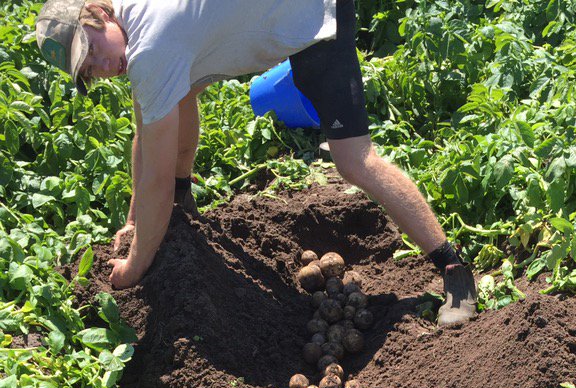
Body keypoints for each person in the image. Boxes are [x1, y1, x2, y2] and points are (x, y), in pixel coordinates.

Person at [35, 0, 478, 326]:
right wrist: (139, 217)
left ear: (98, 15)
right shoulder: (134, 23)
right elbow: (148, 128)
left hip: (314, 16)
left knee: (354, 161)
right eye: (89, 70)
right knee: (180, 92)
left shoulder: (150, 48)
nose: (103, 66)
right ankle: (186, 196)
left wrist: (134, 265)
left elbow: (154, 178)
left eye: (92, 51)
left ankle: (454, 269)